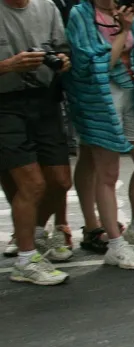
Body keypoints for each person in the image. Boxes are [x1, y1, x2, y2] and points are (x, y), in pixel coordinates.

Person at [65, 0, 134, 270]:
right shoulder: (82, 15)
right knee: (108, 173)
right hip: (99, 100)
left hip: (131, 94)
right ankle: (115, 244)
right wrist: (124, 31)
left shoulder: (125, 13)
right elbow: (92, 66)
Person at [0, 0, 73, 285]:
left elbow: (62, 49)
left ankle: (32, 233)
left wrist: (63, 60)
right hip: (4, 104)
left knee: (60, 180)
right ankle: (26, 259)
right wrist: (8, 65)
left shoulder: (47, 7)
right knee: (31, 183)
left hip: (44, 101)